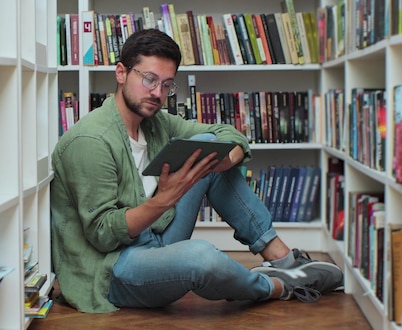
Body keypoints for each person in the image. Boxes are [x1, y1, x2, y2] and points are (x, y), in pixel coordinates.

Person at [50, 28, 343, 314]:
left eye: (166, 84)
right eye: (149, 79)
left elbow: (227, 134)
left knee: (208, 145)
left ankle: (281, 258)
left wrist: (226, 160)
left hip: (157, 235)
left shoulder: (156, 122)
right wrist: (164, 199)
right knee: (201, 256)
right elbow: (103, 234)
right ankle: (280, 286)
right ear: (121, 73)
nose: (157, 93)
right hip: (114, 268)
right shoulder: (90, 141)